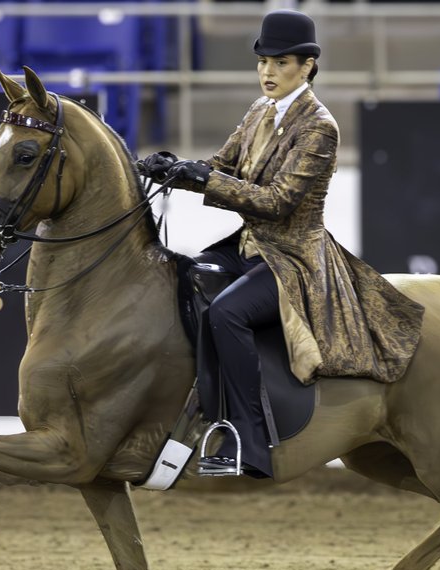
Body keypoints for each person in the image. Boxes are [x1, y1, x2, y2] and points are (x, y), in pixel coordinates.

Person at [138, 9, 423, 479]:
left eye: (281, 63)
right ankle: (191, 413)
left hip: (293, 260)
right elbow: (221, 165)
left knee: (228, 312)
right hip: (248, 247)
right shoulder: (257, 112)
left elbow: (278, 201)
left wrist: (204, 178)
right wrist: (175, 167)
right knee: (184, 280)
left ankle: (247, 439)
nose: (268, 72)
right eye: (263, 62)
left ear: (307, 66)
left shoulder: (318, 127)